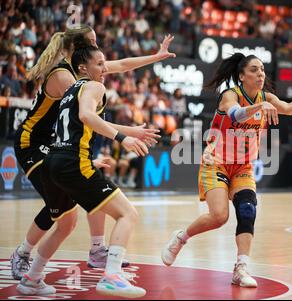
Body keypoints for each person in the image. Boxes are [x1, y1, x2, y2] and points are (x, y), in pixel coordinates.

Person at [11, 25, 175, 280]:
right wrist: (126, 133)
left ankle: (96, 251)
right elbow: (86, 117)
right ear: (79, 52)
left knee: (85, 188)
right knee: (61, 208)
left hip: (59, 142)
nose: (100, 53)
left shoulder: (86, 72)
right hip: (32, 142)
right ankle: (23, 254)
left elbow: (122, 64)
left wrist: (156, 56)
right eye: (92, 43)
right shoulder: (67, 77)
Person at [161, 53, 292, 287]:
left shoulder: (266, 97)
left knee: (248, 211)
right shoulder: (230, 95)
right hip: (216, 161)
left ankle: (241, 268)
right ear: (241, 76)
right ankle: (181, 238)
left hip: (243, 167)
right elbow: (236, 114)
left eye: (262, 70)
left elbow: (288, 109)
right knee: (219, 216)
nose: (260, 74)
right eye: (254, 70)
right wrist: (261, 106)